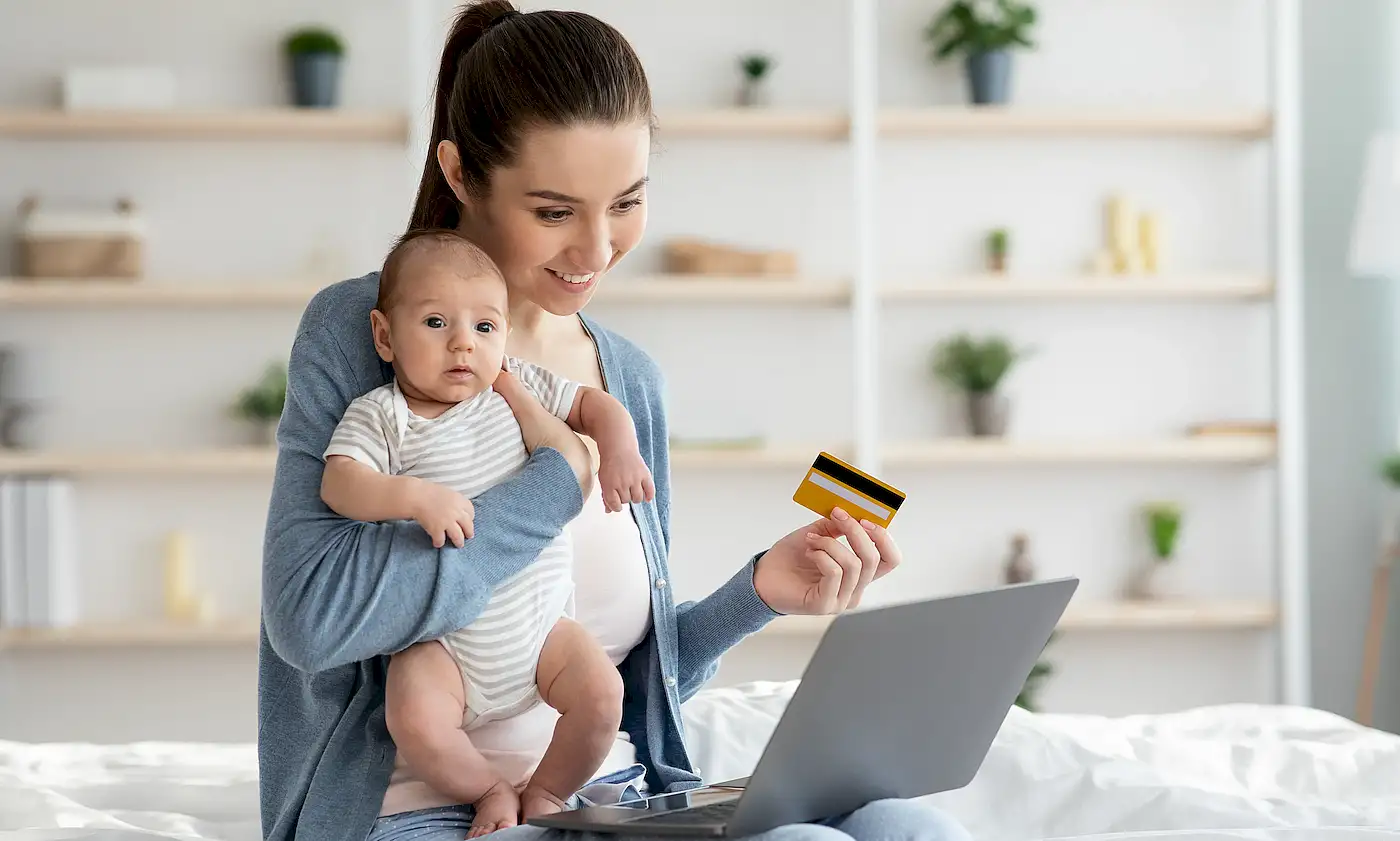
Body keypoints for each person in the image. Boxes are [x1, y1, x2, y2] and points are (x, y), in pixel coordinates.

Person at [257, 2, 975, 840]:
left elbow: (624, 667)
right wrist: (553, 480)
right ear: (459, 174)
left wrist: (760, 593)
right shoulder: (368, 333)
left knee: (906, 826)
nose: (597, 251)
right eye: (555, 212)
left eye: (626, 202)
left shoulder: (628, 380)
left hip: (612, 799)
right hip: (432, 812)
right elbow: (311, 621)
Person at [319, 228, 657, 836]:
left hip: (540, 629)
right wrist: (412, 495)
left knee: (602, 696)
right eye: (434, 323)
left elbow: (595, 408)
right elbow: (340, 483)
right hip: (444, 642)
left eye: (484, 327)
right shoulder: (383, 414)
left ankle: (549, 792)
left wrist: (622, 450)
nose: (462, 345)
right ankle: (489, 791)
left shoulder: (514, 385)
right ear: (384, 336)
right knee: (416, 720)